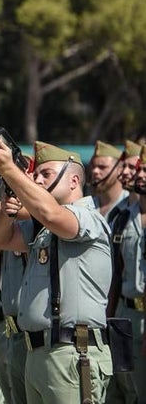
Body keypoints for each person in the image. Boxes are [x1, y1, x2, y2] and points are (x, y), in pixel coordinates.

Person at [0, 140, 113, 404]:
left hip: (71, 353)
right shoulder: (42, 227)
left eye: (46, 174)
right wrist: (7, 210)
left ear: (74, 180)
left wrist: (10, 170)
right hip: (38, 353)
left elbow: (52, 215)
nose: (37, 179)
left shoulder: (88, 217)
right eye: (36, 174)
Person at [104, 140, 143, 404]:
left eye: (143, 170)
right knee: (122, 388)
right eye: (138, 169)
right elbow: (115, 271)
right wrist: (108, 318)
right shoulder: (122, 217)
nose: (138, 175)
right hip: (124, 313)